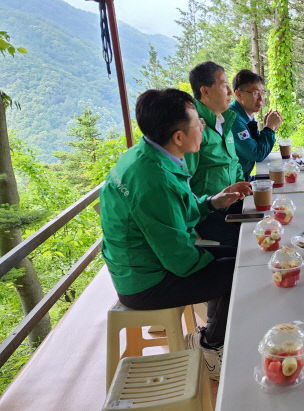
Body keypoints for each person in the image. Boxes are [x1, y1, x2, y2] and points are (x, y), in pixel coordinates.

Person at [100, 88, 253, 380]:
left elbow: (175, 211)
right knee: (240, 272)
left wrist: (212, 201)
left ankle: (212, 334)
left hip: (144, 264)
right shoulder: (152, 180)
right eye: (199, 123)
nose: (203, 127)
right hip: (145, 282)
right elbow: (181, 260)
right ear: (179, 137)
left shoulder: (148, 156)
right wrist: (224, 259)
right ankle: (212, 348)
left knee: (240, 258)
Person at [185, 61, 247, 246]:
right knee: (252, 244)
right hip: (208, 215)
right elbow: (182, 186)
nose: (230, 92)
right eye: (224, 85)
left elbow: (234, 164)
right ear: (205, 91)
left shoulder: (223, 121)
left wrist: (244, 189)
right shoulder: (194, 128)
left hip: (233, 204)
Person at [229, 69, 283, 181]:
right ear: (238, 94)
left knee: (282, 177)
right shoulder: (233, 119)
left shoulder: (245, 115)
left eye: (262, 93)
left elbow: (257, 144)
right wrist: (269, 129)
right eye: (255, 93)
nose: (261, 99)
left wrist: (268, 128)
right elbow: (257, 154)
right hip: (234, 185)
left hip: (243, 178)